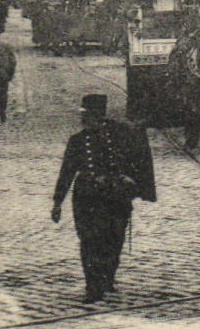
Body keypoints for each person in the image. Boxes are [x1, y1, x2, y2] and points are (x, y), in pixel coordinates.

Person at [51, 94, 156, 302]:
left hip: (114, 197)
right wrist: (57, 202)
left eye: (87, 115)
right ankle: (92, 284)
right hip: (86, 198)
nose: (83, 119)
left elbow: (136, 153)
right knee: (89, 241)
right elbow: (66, 172)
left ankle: (107, 277)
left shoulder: (119, 134)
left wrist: (133, 182)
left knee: (114, 239)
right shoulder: (78, 141)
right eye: (83, 115)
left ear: (97, 115)